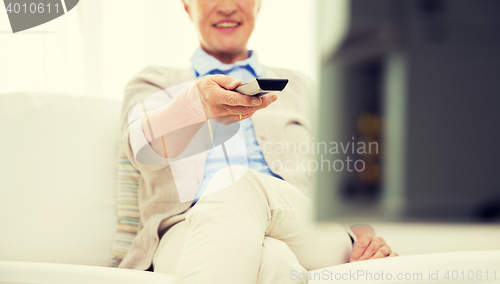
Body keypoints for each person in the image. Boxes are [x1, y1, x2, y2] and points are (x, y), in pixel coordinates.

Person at [118, 0, 397, 283]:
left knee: (235, 181)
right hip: (185, 229)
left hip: (304, 225)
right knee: (274, 261)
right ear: (187, 7)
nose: (227, 6)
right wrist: (193, 105)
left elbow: (347, 178)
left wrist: (367, 239)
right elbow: (141, 148)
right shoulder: (154, 80)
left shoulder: (302, 87)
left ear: (259, 5)